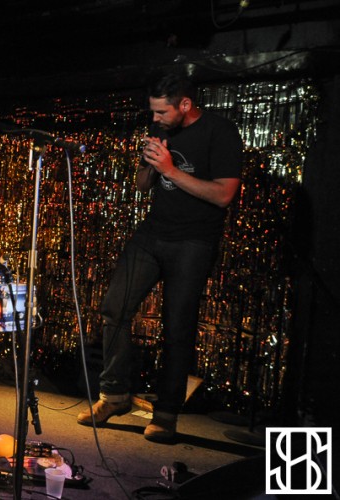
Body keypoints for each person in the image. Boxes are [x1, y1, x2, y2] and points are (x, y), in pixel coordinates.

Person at [76, 74, 243, 443]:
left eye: (162, 112)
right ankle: (114, 395)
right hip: (151, 235)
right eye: (152, 112)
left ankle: (166, 414)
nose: (155, 119)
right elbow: (142, 185)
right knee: (114, 308)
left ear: (185, 104)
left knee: (177, 329)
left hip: (194, 242)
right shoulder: (161, 129)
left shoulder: (220, 132)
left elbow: (223, 195)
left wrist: (170, 169)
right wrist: (151, 163)